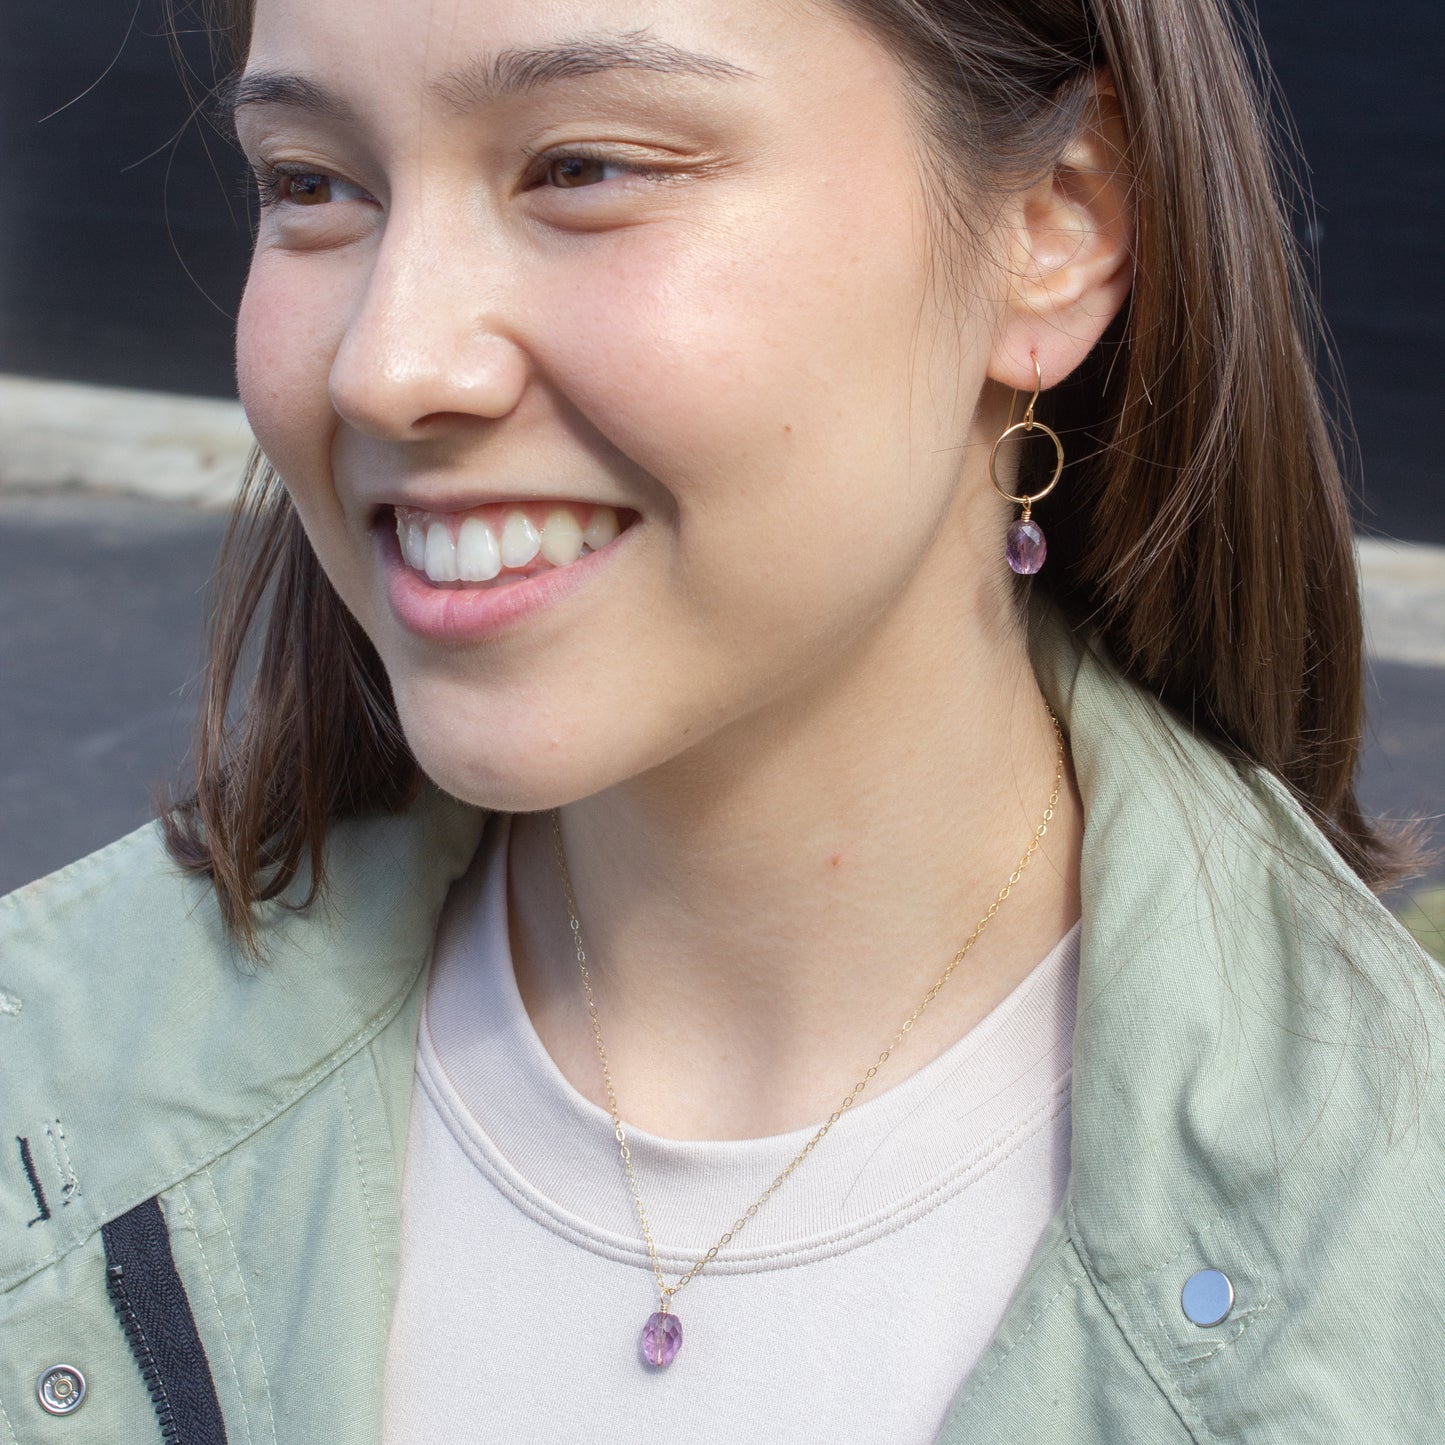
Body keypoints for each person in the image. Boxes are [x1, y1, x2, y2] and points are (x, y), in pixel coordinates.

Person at [3, 0, 1442, 1438]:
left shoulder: (1389, 1236)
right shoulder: (48, 1094)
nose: (387, 365)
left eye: (583, 167)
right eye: (309, 182)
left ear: (1050, 225)